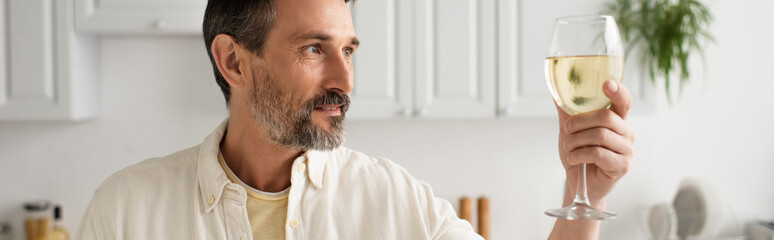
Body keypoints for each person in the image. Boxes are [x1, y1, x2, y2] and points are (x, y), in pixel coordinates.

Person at [77, 0, 634, 239]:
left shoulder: (394, 200)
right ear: (233, 62)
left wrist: (585, 191)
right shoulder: (126, 211)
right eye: (314, 49)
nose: (344, 80)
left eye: (348, 50)